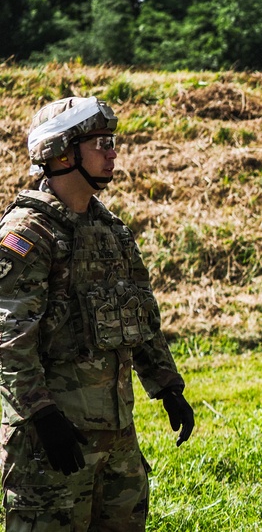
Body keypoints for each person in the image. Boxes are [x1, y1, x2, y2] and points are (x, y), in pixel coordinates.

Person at [0, 96, 194, 531]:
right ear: (62, 152)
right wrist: (42, 416)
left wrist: (167, 386)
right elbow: (9, 339)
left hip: (117, 441)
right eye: (101, 143)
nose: (113, 152)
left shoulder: (111, 231)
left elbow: (141, 315)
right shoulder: (27, 235)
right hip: (52, 445)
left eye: (112, 142)